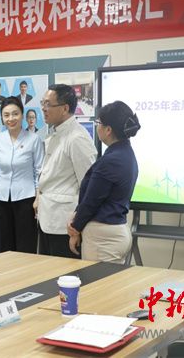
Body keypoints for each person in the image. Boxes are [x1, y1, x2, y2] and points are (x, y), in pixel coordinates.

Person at [67, 101, 141, 263]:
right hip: (113, 232)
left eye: (99, 122)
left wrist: (75, 228)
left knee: (97, 279)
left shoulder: (111, 161)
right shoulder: (126, 154)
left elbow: (91, 201)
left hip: (103, 239)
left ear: (108, 130)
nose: (96, 126)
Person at [36, 84, 96, 258]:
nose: (43, 108)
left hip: (65, 225)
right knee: (46, 271)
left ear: (65, 108)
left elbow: (88, 186)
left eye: (48, 104)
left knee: (64, 272)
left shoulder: (77, 138)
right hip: (47, 219)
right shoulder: (56, 133)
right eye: (42, 103)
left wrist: (77, 227)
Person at [0, 97, 44, 254]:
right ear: (2, 117)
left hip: (26, 200)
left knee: (26, 246)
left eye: (15, 114)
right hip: (1, 200)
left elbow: (39, 172)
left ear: (22, 115)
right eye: (6, 115)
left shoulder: (34, 139)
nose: (11, 119)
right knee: (3, 246)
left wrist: (38, 198)